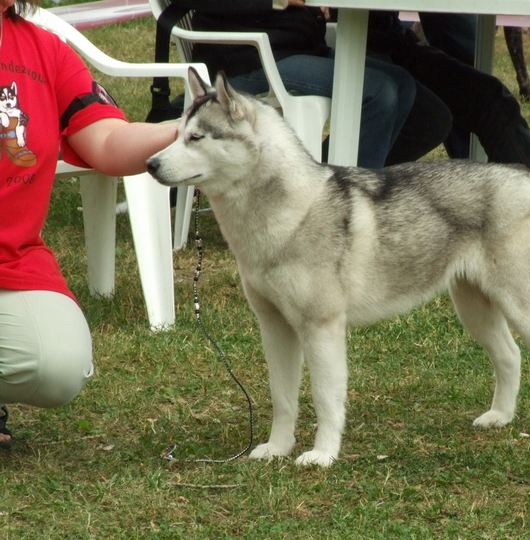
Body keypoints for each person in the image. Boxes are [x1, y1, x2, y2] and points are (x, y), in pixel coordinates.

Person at [0, 0, 180, 447]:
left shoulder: (46, 51)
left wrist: (188, 133)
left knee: (57, 365)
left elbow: (108, 141)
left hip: (11, 262)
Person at [377, 11, 530, 241]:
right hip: (357, 38)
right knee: (430, 115)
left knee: (489, 97)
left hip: (395, 38)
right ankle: (364, 198)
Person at [190, 0, 451, 169]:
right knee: (379, 91)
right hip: (246, 54)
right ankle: (347, 203)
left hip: (297, 44)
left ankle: (317, 179)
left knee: (403, 86)